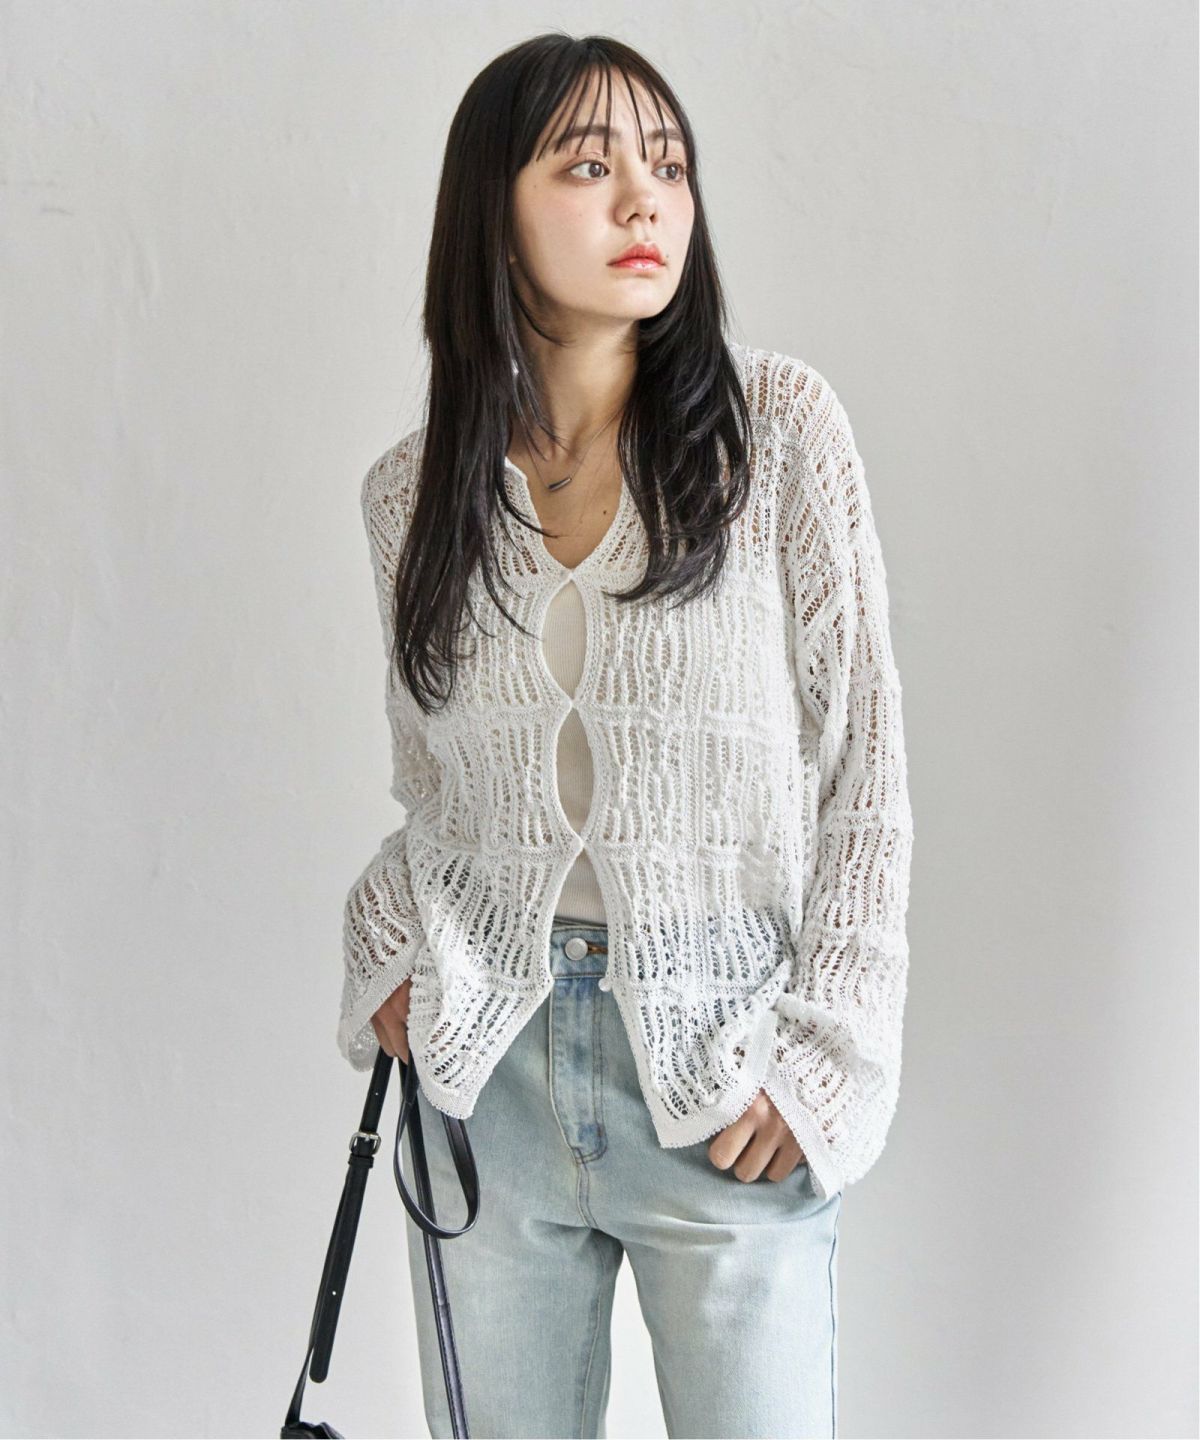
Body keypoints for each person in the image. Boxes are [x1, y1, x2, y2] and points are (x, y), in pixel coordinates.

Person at [338, 32, 913, 1440]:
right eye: (587, 167)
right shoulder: (413, 495)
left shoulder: (779, 437)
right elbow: (435, 790)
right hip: (488, 1075)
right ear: (493, 211)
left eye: (667, 165)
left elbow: (866, 772)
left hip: (723, 1065)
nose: (645, 200)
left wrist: (826, 1054)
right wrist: (393, 947)